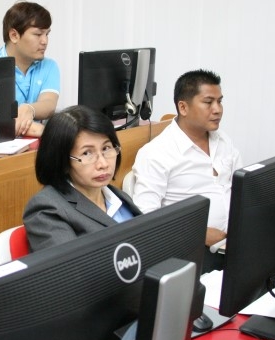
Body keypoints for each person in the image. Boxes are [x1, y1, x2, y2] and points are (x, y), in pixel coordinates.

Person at [131, 69, 242, 271]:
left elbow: (241, 187)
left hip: (233, 244)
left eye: (220, 101)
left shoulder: (223, 140)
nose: (217, 109)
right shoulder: (157, 153)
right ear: (183, 107)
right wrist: (199, 232)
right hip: (190, 251)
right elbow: (145, 218)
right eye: (208, 102)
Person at [23, 105, 141, 251]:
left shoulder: (118, 197)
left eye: (106, 148)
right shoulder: (46, 209)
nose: (103, 164)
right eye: (87, 153)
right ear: (62, 162)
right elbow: (70, 264)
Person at [0, 1, 60, 138]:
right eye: (38, 34)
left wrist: (30, 109)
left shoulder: (50, 66)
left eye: (47, 34)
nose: (45, 41)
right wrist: (41, 131)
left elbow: (49, 104)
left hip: (35, 144)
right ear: (14, 36)